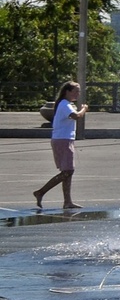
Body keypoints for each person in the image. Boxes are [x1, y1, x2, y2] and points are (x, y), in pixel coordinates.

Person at [33, 82, 87, 210]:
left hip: (64, 139)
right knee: (68, 171)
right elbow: (76, 116)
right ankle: (41, 192)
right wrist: (84, 108)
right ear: (67, 91)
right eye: (75, 91)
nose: (78, 94)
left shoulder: (66, 104)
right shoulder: (64, 104)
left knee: (67, 172)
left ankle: (67, 201)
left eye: (78, 92)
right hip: (62, 140)